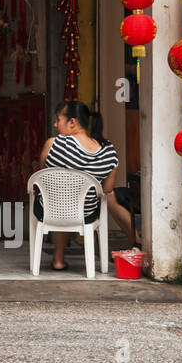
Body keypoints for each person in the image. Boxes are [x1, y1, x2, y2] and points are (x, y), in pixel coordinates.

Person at [33, 101, 128, 270]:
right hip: (86, 213)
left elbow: (44, 173)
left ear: (72, 122)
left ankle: (58, 259)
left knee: (59, 197)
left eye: (58, 120)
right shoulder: (108, 151)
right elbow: (107, 189)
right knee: (71, 199)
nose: (55, 124)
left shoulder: (53, 144)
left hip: (49, 210)